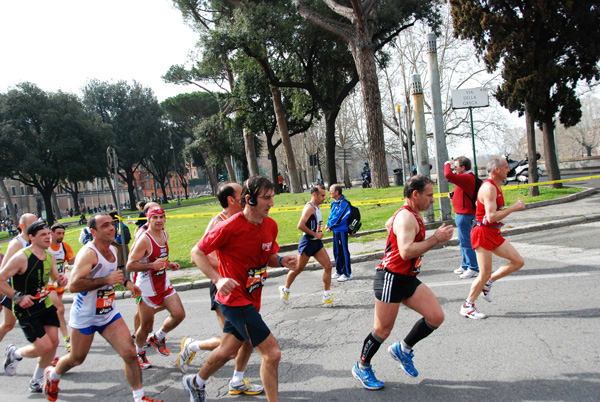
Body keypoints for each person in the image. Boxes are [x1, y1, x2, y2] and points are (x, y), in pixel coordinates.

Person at [184, 176, 297, 402]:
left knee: (227, 351)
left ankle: (195, 382)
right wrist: (217, 280)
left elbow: (267, 257)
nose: (271, 203)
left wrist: (282, 260)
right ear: (249, 200)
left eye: (272, 197)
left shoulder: (270, 226)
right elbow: (196, 253)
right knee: (272, 354)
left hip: (252, 296)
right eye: (266, 198)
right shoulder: (229, 226)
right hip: (233, 300)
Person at [42, 213, 162, 402]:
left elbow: (116, 273)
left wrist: (128, 284)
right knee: (76, 358)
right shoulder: (88, 253)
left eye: (112, 224)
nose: (111, 228)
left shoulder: (113, 250)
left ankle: (139, 398)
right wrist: (106, 280)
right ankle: (53, 375)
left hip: (108, 313)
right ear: (93, 232)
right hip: (86, 315)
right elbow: (73, 286)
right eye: (105, 225)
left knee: (130, 353)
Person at [352, 175, 454, 390]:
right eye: (429, 195)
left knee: (435, 316)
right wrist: (436, 238)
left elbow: (389, 223)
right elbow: (406, 251)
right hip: (390, 278)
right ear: (415, 194)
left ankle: (403, 349)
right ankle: (362, 366)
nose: (433, 200)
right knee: (382, 330)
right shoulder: (407, 218)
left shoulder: (408, 214)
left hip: (407, 278)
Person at [178, 182, 264, 396]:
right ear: (231, 200)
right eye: (241, 193)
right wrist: (227, 268)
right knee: (235, 343)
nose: (246, 196)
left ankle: (234, 380)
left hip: (246, 287)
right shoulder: (219, 222)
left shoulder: (247, 218)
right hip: (224, 287)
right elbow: (200, 254)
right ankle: (193, 347)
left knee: (240, 341)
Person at [0, 221, 67, 393]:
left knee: (53, 343)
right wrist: (17, 296)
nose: (48, 237)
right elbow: (1, 279)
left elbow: (53, 275)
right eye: (43, 235)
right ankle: (14, 354)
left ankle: (36, 380)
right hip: (26, 308)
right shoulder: (22, 257)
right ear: (31, 237)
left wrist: (60, 279)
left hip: (44, 303)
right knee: (43, 347)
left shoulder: (48, 255)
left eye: (48, 234)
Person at [460, 157, 526, 320]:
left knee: (518, 262)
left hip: (493, 233)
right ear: (496, 170)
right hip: (483, 233)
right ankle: (467, 306)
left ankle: (488, 283)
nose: (508, 170)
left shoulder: (495, 186)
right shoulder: (489, 188)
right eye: (505, 167)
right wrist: (513, 208)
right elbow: (490, 217)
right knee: (484, 273)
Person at [127, 206, 184, 370]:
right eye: (155, 217)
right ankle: (139, 353)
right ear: (148, 220)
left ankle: (158, 337)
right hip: (145, 287)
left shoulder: (164, 234)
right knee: (145, 326)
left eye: (161, 217)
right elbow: (130, 265)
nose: (159, 220)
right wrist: (152, 265)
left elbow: (161, 258)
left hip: (163, 282)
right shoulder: (144, 239)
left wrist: (169, 264)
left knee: (179, 314)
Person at [279, 185, 341, 305]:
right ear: (314, 195)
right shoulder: (309, 208)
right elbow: (300, 225)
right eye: (322, 195)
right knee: (298, 268)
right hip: (307, 242)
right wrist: (315, 234)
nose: (324, 198)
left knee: (328, 266)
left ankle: (327, 296)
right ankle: (285, 289)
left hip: (316, 243)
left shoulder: (317, 207)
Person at [0, 213, 38, 344]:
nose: (36, 226)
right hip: (15, 289)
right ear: (22, 226)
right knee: (8, 324)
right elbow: (3, 272)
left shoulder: (35, 241)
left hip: (32, 289)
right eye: (32, 224)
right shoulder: (17, 244)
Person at [444, 157, 480, 279]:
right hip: (461, 214)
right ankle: (465, 265)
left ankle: (473, 268)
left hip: (465, 215)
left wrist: (446, 164)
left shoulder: (467, 177)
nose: (454, 169)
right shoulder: (466, 178)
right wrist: (454, 195)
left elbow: (448, 175)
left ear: (463, 167)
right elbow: (461, 190)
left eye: (456, 167)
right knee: (462, 241)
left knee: (466, 242)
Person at [48, 224, 76, 352]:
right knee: (60, 308)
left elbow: (70, 261)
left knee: (55, 312)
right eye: (58, 233)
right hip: (47, 284)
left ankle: (50, 337)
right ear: (51, 233)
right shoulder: (46, 247)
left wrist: (76, 259)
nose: (61, 236)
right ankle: (67, 339)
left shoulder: (65, 246)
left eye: (63, 233)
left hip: (60, 284)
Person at [325, 184, 352, 282]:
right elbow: (331, 215)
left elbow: (339, 217)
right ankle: (339, 270)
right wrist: (328, 225)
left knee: (343, 251)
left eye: (331, 190)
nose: (329, 192)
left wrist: (331, 226)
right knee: (336, 251)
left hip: (342, 231)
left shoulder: (344, 203)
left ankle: (347, 273)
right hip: (335, 231)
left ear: (337, 192)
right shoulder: (334, 203)